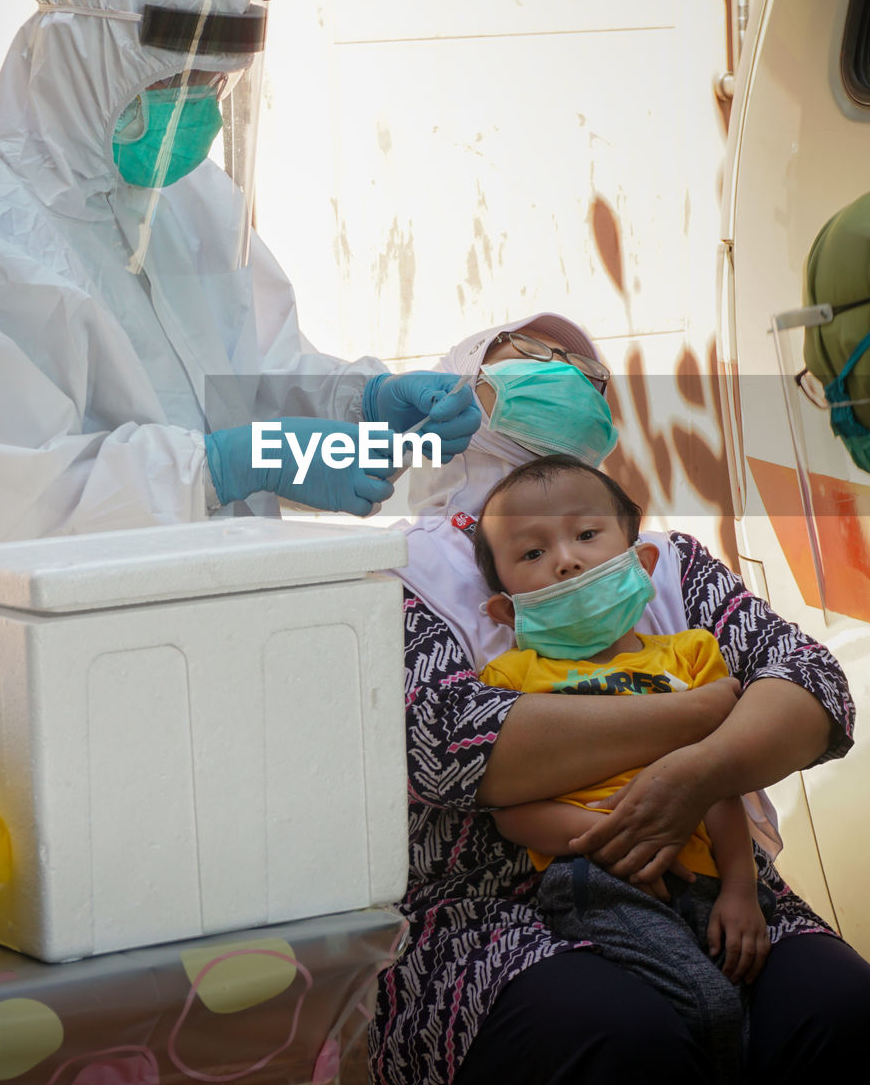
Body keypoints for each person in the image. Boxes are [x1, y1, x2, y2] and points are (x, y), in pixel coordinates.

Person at [0, 0, 478, 551]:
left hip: (222, 606)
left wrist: (363, 405)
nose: (200, 109)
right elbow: (24, 507)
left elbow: (249, 379)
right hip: (62, 642)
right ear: (85, 60)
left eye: (213, 82)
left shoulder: (191, 199)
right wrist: (229, 465)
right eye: (171, 81)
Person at [368, 313, 869, 1085]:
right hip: (488, 910)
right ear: (462, 389)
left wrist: (696, 780)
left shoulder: (665, 564)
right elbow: (454, 749)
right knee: (622, 1038)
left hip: (708, 871)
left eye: (582, 367)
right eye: (533, 358)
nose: (566, 372)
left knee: (837, 1009)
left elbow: (813, 689)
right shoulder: (400, 575)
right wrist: (698, 715)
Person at [475, 455, 776, 1080]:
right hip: (595, 878)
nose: (565, 560)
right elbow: (512, 815)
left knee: (751, 996)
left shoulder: (692, 656)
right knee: (710, 1004)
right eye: (532, 554)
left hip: (704, 875)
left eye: (587, 534)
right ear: (506, 612)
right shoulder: (512, 680)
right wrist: (620, 834)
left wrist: (742, 890)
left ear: (641, 562)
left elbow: (718, 782)